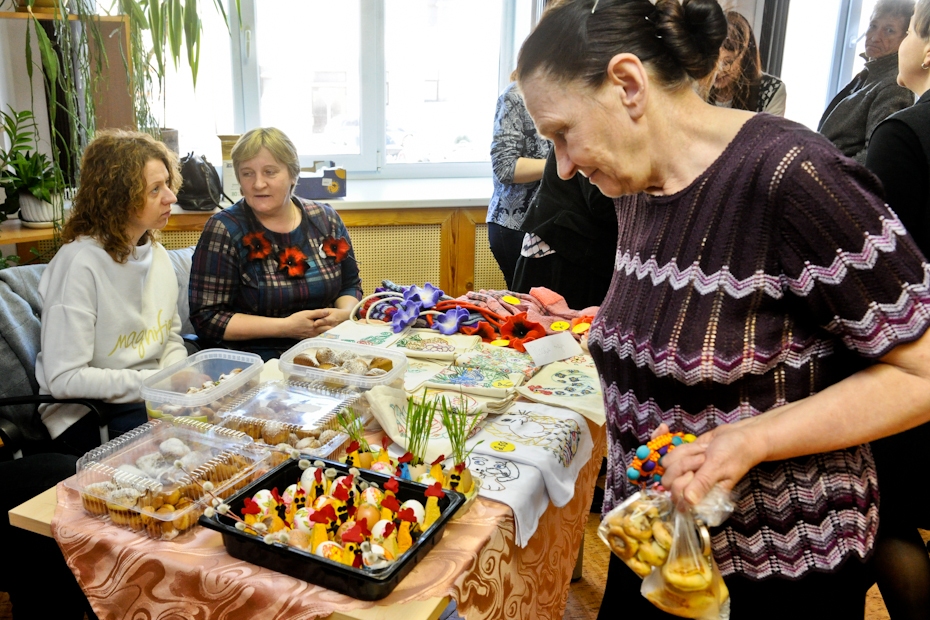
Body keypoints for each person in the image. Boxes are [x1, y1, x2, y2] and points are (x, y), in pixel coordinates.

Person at [516, 0, 930, 618]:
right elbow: (703, 317)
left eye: (561, 134)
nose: (565, 165)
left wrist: (750, 441)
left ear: (628, 85)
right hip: (659, 545)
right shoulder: (638, 185)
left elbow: (920, 372)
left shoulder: (794, 176)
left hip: (777, 567)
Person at [35, 130, 189, 457]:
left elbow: (171, 338)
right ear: (120, 197)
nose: (171, 198)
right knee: (190, 448)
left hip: (145, 395)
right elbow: (65, 379)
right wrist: (157, 385)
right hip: (88, 414)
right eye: (155, 189)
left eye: (168, 184)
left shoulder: (155, 252)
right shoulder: (79, 264)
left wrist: (177, 379)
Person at [864, 2, 930, 617]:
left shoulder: (904, 133)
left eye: (910, 27)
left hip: (912, 355)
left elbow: (875, 271)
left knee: (888, 515)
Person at [189, 128, 362, 361]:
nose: (258, 184)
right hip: (255, 361)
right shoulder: (224, 229)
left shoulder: (325, 219)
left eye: (270, 172)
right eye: (247, 173)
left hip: (327, 352)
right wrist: (285, 327)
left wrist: (343, 314)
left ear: (293, 174)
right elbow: (207, 319)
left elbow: (349, 284)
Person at [512, 149, 618, 310]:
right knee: (562, 330)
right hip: (567, 250)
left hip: (567, 244)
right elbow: (601, 202)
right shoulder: (598, 129)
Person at [819, 0, 916, 163]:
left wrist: (828, 173)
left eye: (889, 30)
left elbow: (875, 155)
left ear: (906, 39)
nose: (875, 37)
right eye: (873, 26)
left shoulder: (894, 85)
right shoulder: (870, 73)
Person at [488, 79, 551, 289]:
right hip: (516, 224)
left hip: (552, 224)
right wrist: (563, 165)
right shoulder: (515, 96)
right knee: (527, 309)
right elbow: (506, 167)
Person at [707, 11, 786, 115]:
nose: (717, 71)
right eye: (712, 61)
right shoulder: (695, 86)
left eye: (727, 62)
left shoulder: (771, 90)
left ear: (745, 56)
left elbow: (771, 131)